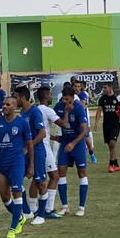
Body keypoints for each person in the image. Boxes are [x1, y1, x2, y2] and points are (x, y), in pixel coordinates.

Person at [0, 96, 34, 238]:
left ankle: (13, 228)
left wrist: (31, 165)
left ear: (14, 107)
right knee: (5, 197)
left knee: (16, 192)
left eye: (7, 104)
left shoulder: (22, 123)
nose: (4, 106)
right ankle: (20, 217)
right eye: (3, 104)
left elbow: (30, 144)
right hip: (2, 164)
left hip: (17, 163)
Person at [14, 85, 49, 225]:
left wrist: (28, 147)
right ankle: (27, 212)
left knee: (40, 182)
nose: (15, 100)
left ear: (23, 98)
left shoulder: (35, 112)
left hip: (37, 152)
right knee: (17, 180)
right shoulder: (23, 112)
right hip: (25, 152)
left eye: (16, 97)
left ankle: (41, 215)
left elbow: (42, 134)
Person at [53, 87, 89, 217]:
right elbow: (58, 122)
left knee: (82, 173)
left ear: (73, 98)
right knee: (61, 172)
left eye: (68, 99)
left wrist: (73, 143)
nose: (65, 102)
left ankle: (81, 207)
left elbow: (85, 130)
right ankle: (65, 207)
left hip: (77, 145)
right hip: (65, 144)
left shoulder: (79, 108)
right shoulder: (58, 107)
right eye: (63, 99)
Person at [36, 86, 69, 218]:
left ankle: (35, 208)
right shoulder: (48, 110)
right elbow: (64, 124)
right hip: (44, 147)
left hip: (36, 147)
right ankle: (48, 209)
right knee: (54, 176)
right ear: (45, 96)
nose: (51, 97)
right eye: (50, 94)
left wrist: (54, 137)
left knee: (38, 179)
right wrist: (67, 112)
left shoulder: (35, 109)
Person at [94, 82, 120, 172]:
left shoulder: (118, 98)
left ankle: (111, 164)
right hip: (106, 125)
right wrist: (96, 122)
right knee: (110, 146)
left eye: (105, 88)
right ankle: (116, 165)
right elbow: (99, 111)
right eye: (103, 88)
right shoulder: (102, 99)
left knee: (112, 143)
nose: (103, 89)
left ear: (110, 88)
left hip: (115, 125)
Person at [77, 81, 97, 164]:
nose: (77, 88)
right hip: (75, 120)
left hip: (83, 119)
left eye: (79, 86)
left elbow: (83, 105)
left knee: (86, 137)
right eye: (75, 86)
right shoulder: (72, 95)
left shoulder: (83, 94)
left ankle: (92, 154)